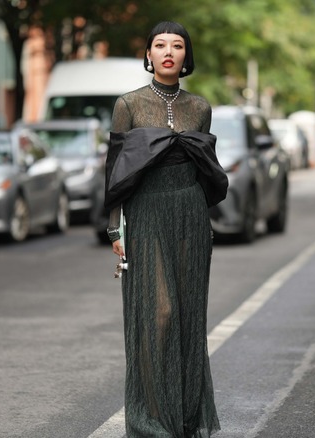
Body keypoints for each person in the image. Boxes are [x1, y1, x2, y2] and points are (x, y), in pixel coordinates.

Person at [104, 21, 227, 438]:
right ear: (149, 54)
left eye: (177, 45)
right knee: (160, 314)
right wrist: (114, 229)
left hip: (190, 213)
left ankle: (188, 419)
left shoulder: (201, 107)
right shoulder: (128, 104)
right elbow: (115, 171)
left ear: (186, 55)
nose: (168, 51)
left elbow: (206, 169)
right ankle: (152, 421)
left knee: (190, 317)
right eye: (160, 45)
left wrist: (207, 224)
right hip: (147, 213)